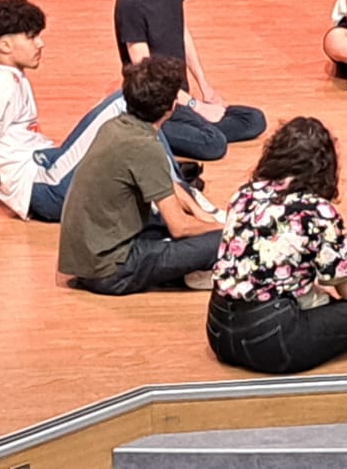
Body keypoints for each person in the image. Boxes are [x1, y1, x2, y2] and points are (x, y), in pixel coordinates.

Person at [207, 116, 347, 373]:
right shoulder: (319, 211)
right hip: (273, 338)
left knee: (320, 301)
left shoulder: (244, 195)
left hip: (218, 331)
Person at [0, 0, 128, 244]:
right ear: (5, 45)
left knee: (121, 110)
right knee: (124, 99)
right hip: (43, 187)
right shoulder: (1, 86)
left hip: (45, 170)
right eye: (32, 37)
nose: (41, 43)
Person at [58, 56, 225, 294]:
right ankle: (201, 271)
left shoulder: (116, 127)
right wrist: (222, 226)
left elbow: (164, 181)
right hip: (110, 272)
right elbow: (179, 227)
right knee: (226, 239)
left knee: (178, 226)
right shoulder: (145, 147)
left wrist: (200, 213)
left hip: (87, 259)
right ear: (172, 107)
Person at [114, 0, 267, 163]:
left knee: (254, 119)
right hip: (156, 104)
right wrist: (197, 107)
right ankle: (148, 129)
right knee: (213, 144)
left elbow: (181, 30)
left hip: (181, 98)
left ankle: (192, 126)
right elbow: (147, 74)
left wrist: (205, 89)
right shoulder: (131, 0)